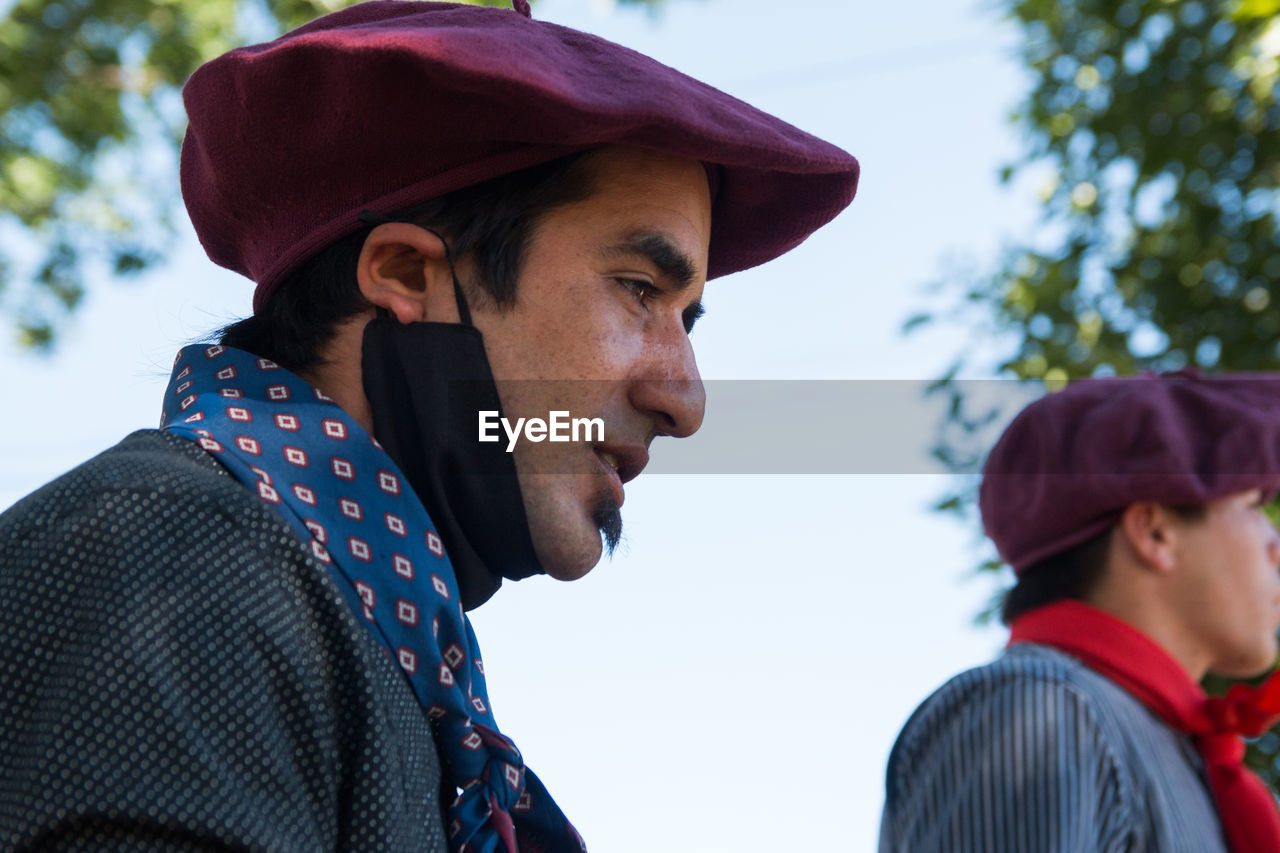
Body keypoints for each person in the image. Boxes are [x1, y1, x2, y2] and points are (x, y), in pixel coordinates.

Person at [0, 2, 859, 851]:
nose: (686, 399)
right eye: (640, 289)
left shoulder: (374, 648)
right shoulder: (170, 552)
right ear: (406, 273)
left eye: (689, 320)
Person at [879, 370, 1280, 853]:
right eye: (1252, 505)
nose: (1273, 546)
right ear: (1154, 533)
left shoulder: (1166, 749)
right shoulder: (1037, 709)